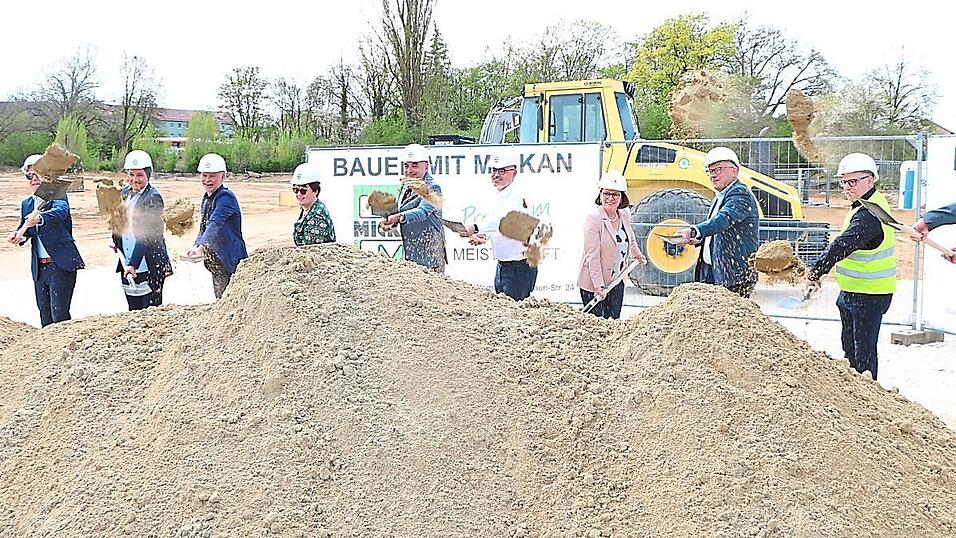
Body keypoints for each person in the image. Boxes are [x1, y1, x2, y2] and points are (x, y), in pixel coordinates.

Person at [807, 153, 895, 380]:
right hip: (853, 291)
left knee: (863, 356)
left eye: (853, 181)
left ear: (870, 179)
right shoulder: (863, 205)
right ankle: (854, 393)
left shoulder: (870, 214)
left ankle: (867, 396)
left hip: (869, 294)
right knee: (851, 352)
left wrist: (816, 271)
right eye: (844, 182)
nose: (847, 187)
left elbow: (842, 245)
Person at [6, 154, 84, 326]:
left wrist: (40, 218)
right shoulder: (27, 204)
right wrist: (19, 235)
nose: (33, 179)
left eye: (37, 174)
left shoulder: (58, 195)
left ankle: (64, 343)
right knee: (45, 317)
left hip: (60, 265)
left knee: (59, 315)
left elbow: (61, 211)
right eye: (29, 176)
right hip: (39, 269)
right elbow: (26, 230)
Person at [673, 147, 759, 297]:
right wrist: (699, 240)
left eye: (718, 170)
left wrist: (694, 231)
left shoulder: (740, 193)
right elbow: (718, 229)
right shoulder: (720, 196)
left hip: (734, 275)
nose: (712, 175)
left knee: (731, 312)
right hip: (714, 270)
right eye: (710, 171)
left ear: (734, 170)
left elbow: (723, 220)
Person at [458, 153, 538, 300]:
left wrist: (475, 227)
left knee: (513, 309)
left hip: (519, 266)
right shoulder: (499, 196)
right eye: (494, 170)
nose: (496, 175)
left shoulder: (518, 195)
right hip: (504, 264)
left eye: (502, 171)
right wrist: (485, 235)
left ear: (514, 173)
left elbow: (505, 220)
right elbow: (497, 225)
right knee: (503, 306)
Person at [577, 171, 647, 319]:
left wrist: (637, 254)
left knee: (614, 322)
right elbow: (592, 256)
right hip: (594, 284)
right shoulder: (593, 219)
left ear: (622, 197)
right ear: (600, 195)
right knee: (596, 325)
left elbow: (629, 236)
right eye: (606, 193)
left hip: (616, 280)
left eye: (615, 194)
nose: (610, 198)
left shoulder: (624, 214)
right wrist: (598, 286)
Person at [112, 150, 173, 311]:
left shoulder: (153, 198)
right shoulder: (124, 193)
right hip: (127, 261)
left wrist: (134, 264)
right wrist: (116, 240)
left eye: (140, 175)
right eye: (131, 174)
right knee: (133, 311)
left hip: (149, 263)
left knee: (150, 313)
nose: (135, 179)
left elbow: (146, 235)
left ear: (148, 175)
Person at [187, 153, 248, 299]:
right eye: (204, 175)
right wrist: (196, 246)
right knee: (220, 297)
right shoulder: (207, 198)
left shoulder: (226, 198)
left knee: (232, 300)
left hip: (231, 260)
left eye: (212, 176)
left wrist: (201, 248)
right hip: (217, 260)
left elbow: (215, 223)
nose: (207, 180)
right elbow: (204, 226)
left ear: (223, 176)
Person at [379, 143, 446, 272]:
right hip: (411, 253)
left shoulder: (432, 187)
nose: (409, 170)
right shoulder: (406, 185)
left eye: (415, 165)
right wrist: (391, 223)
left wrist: (399, 217)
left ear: (426, 165)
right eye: (406, 166)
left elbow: (423, 212)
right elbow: (402, 210)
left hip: (431, 254)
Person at [290, 162, 336, 245]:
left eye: (303, 191)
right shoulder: (308, 209)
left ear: (315, 191)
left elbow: (310, 250)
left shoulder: (316, 217)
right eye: (295, 190)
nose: (299, 194)